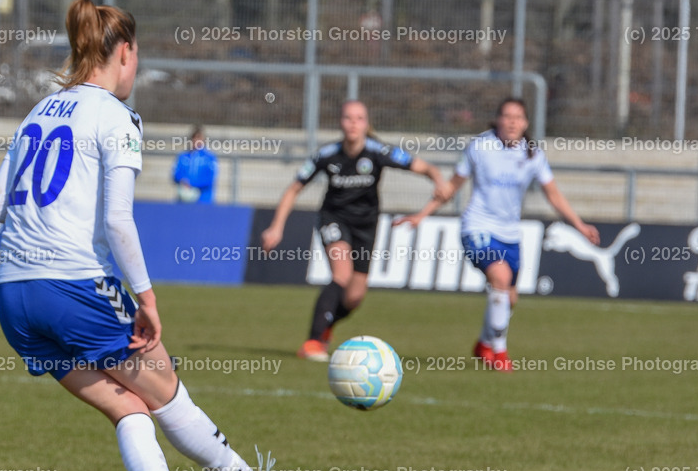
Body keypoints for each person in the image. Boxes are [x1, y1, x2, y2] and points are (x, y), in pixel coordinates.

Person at [0, 0, 301, 471]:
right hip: (72, 284)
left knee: (127, 406)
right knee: (164, 390)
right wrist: (147, 298)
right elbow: (117, 219)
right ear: (125, 53)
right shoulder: (116, 115)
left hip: (13, 294)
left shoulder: (37, 112)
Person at [394, 98, 599, 371]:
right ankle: (500, 352)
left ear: (525, 123)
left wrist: (579, 225)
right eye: (507, 116)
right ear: (498, 120)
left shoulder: (532, 155)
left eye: (518, 117)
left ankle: (483, 343)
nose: (512, 122)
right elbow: (453, 186)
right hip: (477, 227)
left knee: (509, 298)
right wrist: (422, 214)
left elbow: (553, 194)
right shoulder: (480, 147)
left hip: (510, 235)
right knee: (500, 277)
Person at [261, 100, 450, 362]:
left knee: (354, 297)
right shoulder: (326, 155)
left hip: (366, 226)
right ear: (341, 122)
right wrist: (276, 227)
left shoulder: (378, 151)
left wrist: (438, 181)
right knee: (342, 274)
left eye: (359, 118)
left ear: (366, 124)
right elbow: (294, 188)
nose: (353, 123)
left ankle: (327, 326)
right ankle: (313, 342)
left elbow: (427, 167)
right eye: (348, 118)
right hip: (333, 219)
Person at [172, 126, 218, 203]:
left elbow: (210, 179)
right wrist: (182, 181)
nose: (196, 141)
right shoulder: (183, 157)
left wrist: (192, 184)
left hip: (203, 201)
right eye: (194, 138)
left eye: (199, 138)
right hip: (184, 201)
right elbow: (176, 174)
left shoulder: (210, 158)